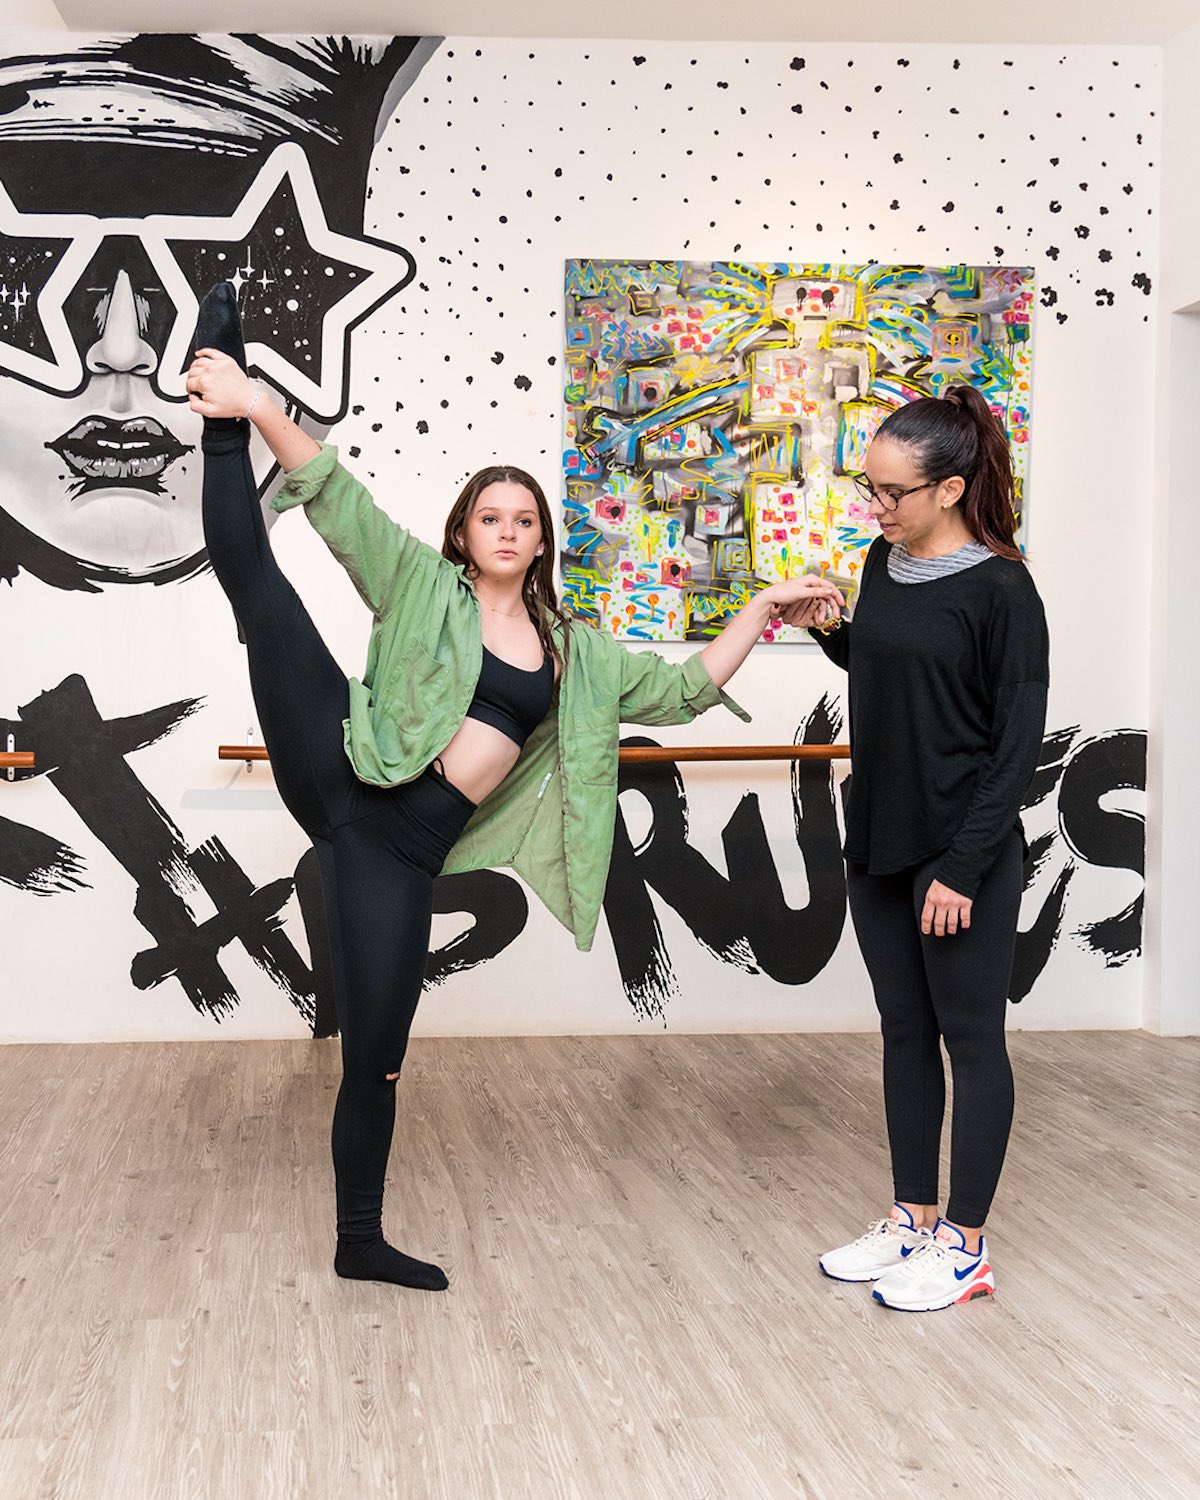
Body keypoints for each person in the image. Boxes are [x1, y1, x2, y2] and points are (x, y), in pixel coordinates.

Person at [187, 282, 841, 1292]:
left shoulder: (575, 653)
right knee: (260, 590)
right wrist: (259, 408)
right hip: (341, 764)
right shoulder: (418, 580)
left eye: (522, 519)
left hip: (400, 849)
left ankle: (358, 1241)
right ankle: (222, 404)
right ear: (464, 532)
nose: (505, 530)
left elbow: (682, 691)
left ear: (541, 540)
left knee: (378, 1053)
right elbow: (335, 493)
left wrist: (759, 607)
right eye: (488, 516)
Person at [777, 385, 1048, 1312]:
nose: (877, 506)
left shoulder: (1005, 589)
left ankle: (965, 1246)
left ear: (951, 489)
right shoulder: (881, 563)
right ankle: (911, 1218)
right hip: (879, 838)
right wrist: (832, 632)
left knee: (971, 1042)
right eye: (871, 488)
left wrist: (962, 869)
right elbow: (889, 669)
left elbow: (1015, 747)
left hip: (961, 852)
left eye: (893, 492)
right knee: (903, 1032)